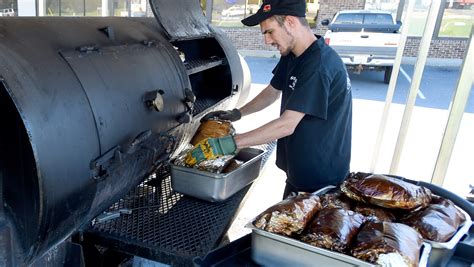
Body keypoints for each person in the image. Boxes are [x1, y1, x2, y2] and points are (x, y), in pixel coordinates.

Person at [202, 0, 353, 199]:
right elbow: (273, 91)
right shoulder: (293, 53)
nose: (267, 41)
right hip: (299, 170)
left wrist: (227, 144)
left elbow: (286, 126)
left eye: (269, 32)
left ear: (290, 22)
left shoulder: (318, 65)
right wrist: (237, 113)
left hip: (320, 181)